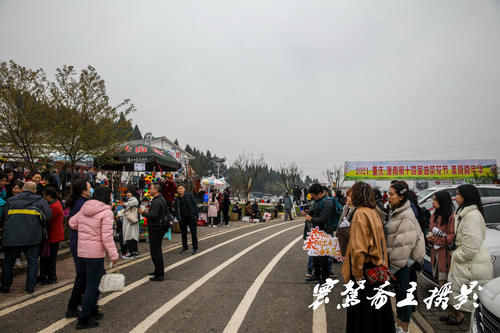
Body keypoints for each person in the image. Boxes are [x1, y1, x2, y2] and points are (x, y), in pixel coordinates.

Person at [341, 182, 395, 333]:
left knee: (361, 315)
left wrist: (357, 273)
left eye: (350, 194)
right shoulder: (373, 212)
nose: (347, 197)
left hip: (364, 270)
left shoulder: (359, 215)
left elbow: (359, 249)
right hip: (377, 270)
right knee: (377, 314)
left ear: (357, 196)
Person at [69, 185, 118, 330]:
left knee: (98, 279)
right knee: (92, 285)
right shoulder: (106, 212)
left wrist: (86, 229)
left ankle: (92, 309)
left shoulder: (85, 207)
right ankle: (83, 318)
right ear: (107, 196)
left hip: (82, 252)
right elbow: (107, 236)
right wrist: (114, 254)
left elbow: (72, 223)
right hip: (95, 254)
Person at [445, 184, 493, 326]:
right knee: (462, 295)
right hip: (467, 262)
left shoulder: (472, 216)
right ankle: (460, 318)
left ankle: (473, 325)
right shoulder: (465, 213)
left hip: (471, 263)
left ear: (466, 196)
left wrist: (458, 256)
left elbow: (471, 245)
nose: (455, 197)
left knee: (471, 299)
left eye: (458, 194)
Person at [386, 181, 425, 333]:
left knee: (403, 296)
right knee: (400, 295)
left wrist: (394, 267)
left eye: (391, 194)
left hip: (402, 263)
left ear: (401, 197)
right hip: (399, 262)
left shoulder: (406, 214)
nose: (388, 197)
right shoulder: (395, 211)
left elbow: (404, 244)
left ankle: (404, 327)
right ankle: (399, 324)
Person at [1, 182, 52, 294]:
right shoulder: (40, 202)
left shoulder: (10, 201)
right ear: (35, 190)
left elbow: (3, 216)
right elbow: (47, 217)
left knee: (9, 261)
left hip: (11, 236)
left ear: (23, 189)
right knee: (33, 262)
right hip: (32, 236)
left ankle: (5, 286)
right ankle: (30, 287)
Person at [66, 179, 92, 318]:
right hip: (80, 243)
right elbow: (76, 224)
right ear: (83, 190)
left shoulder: (81, 202)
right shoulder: (80, 205)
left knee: (84, 275)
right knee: (82, 275)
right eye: (89, 187)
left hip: (81, 242)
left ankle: (83, 303)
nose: (91, 189)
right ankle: (72, 307)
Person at [305, 183, 336, 284]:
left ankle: (325, 278)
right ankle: (317, 274)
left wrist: (311, 218)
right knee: (316, 256)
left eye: (313, 196)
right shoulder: (320, 201)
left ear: (319, 193)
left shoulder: (327, 202)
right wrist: (310, 212)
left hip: (325, 233)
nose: (313, 198)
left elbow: (323, 219)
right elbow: (317, 213)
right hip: (318, 232)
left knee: (323, 257)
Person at [140, 184, 169, 281]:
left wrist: (143, 213)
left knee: (155, 251)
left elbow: (153, 215)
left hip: (156, 228)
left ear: (156, 190)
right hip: (160, 227)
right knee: (156, 250)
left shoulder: (157, 201)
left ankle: (159, 274)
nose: (149, 190)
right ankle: (157, 270)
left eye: (151, 188)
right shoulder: (161, 199)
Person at [426, 190, 455, 287]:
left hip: (446, 255)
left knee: (446, 282)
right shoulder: (434, 215)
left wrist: (437, 240)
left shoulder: (451, 217)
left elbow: (452, 235)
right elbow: (430, 230)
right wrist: (430, 238)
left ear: (442, 201)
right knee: (439, 280)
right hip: (435, 253)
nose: (432, 202)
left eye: (435, 200)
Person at [38, 187, 64, 285]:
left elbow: (48, 220)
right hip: (53, 234)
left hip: (53, 235)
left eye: (44, 195)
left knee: (50, 258)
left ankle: (52, 276)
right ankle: (44, 275)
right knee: (46, 257)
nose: (43, 197)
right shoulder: (55, 204)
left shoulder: (54, 206)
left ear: (48, 196)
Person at [174, 185, 199, 255]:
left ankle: (195, 248)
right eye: (179, 189)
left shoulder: (190, 195)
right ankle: (185, 248)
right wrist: (177, 217)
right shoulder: (177, 199)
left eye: (181, 188)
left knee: (193, 234)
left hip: (191, 217)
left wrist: (195, 215)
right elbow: (176, 209)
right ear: (177, 190)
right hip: (182, 219)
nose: (180, 190)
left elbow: (195, 205)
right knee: (183, 234)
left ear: (184, 189)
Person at [121, 185, 140, 259]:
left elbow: (133, 203)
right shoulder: (131, 199)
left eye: (129, 192)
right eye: (127, 192)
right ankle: (135, 252)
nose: (128, 194)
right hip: (132, 220)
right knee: (132, 236)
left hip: (130, 221)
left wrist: (125, 204)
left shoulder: (133, 199)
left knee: (130, 236)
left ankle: (131, 253)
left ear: (132, 193)